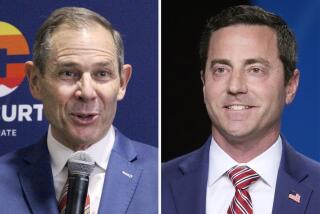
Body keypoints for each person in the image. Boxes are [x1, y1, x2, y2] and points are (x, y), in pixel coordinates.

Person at [162, 5, 320, 214]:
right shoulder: (157, 184)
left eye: (255, 70)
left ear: (290, 85)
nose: (235, 86)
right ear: (204, 82)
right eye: (221, 70)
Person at [0, 7, 157, 214]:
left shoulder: (160, 175)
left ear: (122, 83)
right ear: (35, 81)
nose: (87, 92)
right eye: (68, 73)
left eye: (102, 73)